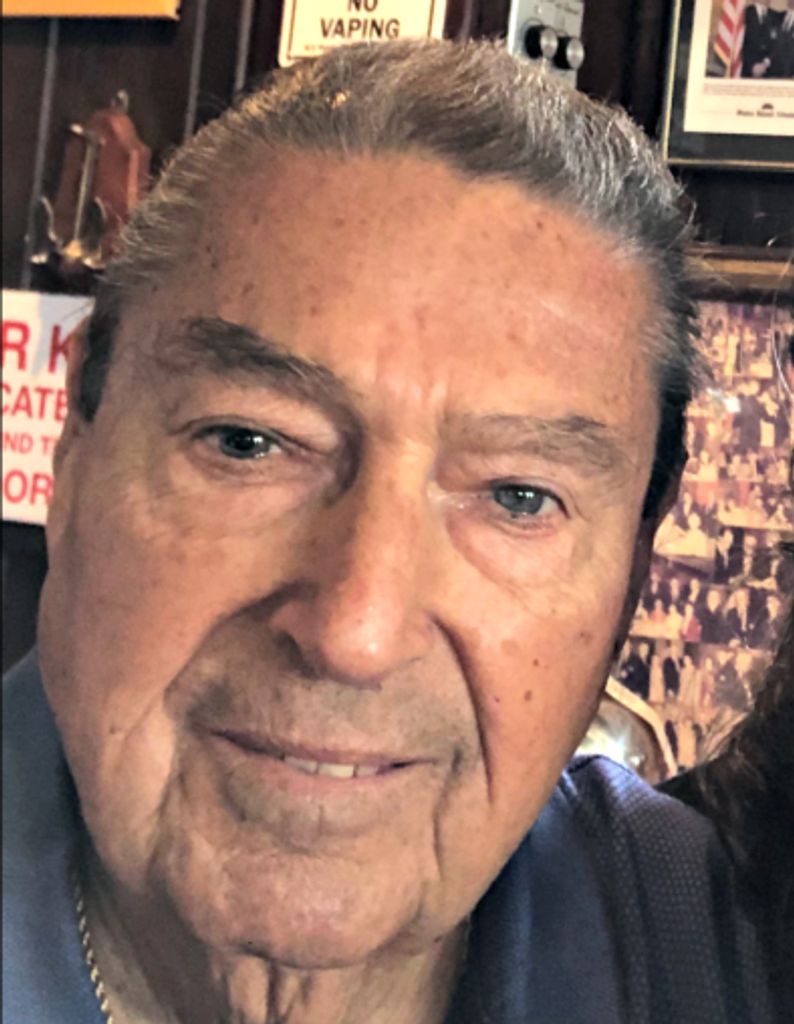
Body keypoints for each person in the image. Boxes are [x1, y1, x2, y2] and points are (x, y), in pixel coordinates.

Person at [3, 39, 774, 1024]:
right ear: (75, 456)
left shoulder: (723, 950)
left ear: (629, 582)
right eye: (247, 443)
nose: (354, 632)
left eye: (517, 497)